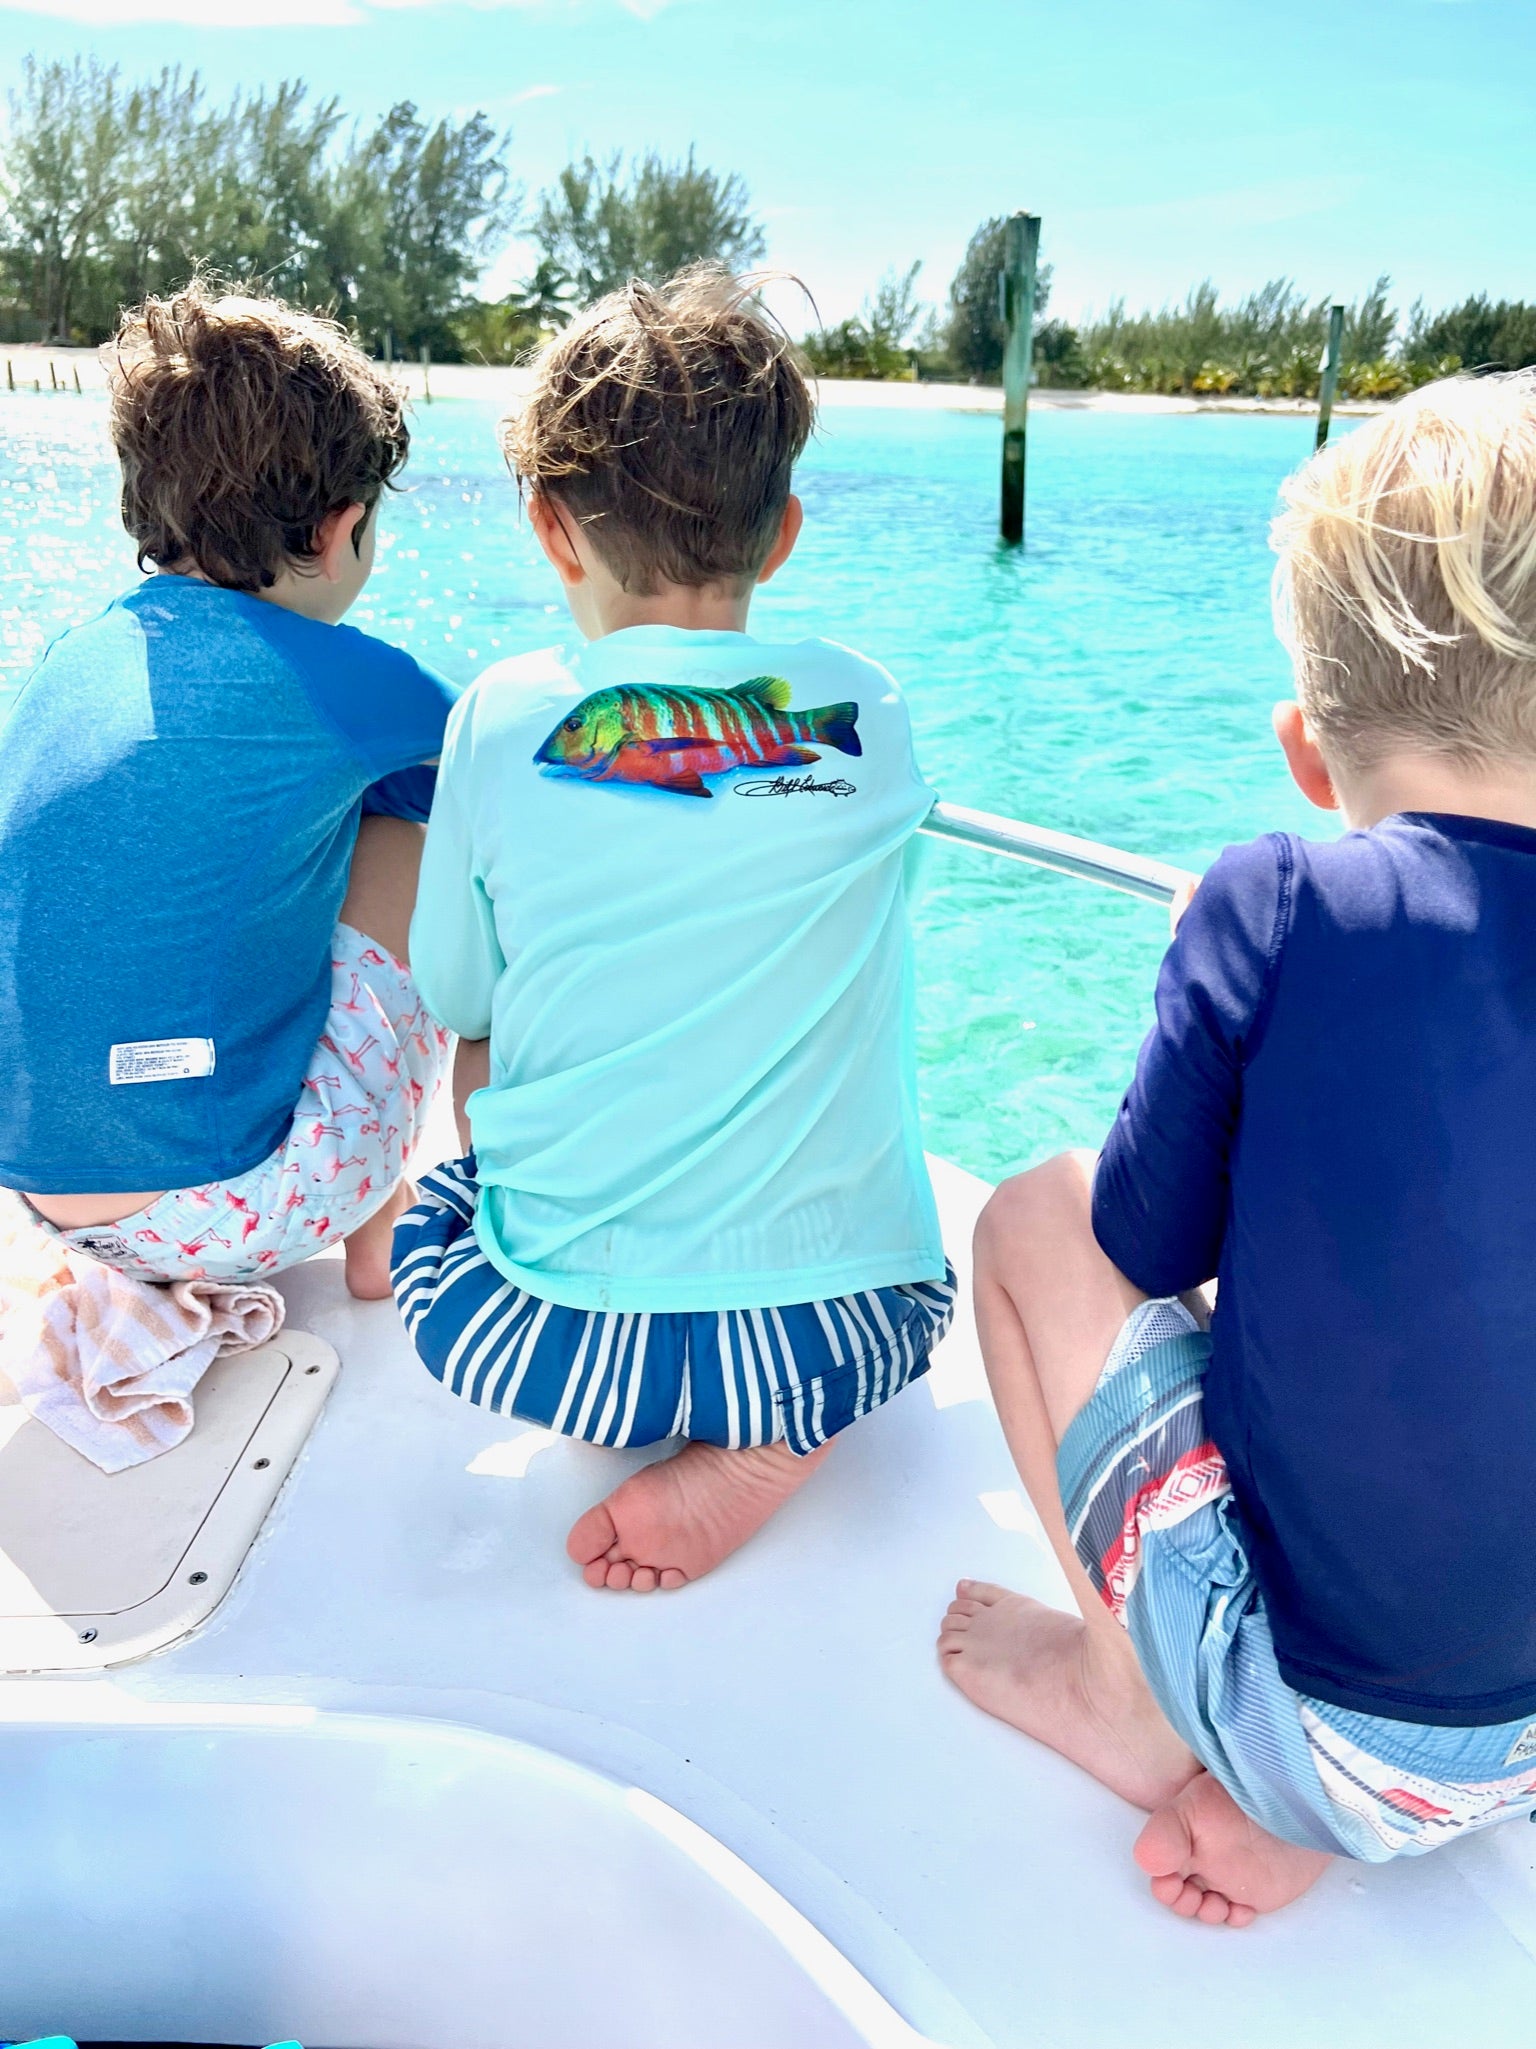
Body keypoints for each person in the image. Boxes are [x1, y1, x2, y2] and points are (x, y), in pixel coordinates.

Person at [941, 372, 1536, 1925]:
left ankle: (1131, 1700)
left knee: (1031, 1216)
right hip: (1519, 1753)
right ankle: (1343, 1801)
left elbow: (1140, 1250)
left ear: (1308, 750)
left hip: (1327, 1735)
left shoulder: (1281, 904)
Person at [391, 269, 954, 1590]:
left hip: (562, 1350)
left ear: (549, 527)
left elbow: (450, 987)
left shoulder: (503, 709)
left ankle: (694, 1375)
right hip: (855, 1327)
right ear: (782, 537)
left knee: (450, 1167)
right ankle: (778, 1434)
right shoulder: (869, 705)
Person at [0, 281, 457, 1299]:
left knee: (304, 820)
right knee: (416, 837)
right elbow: (524, 765)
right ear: (341, 529)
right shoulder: (344, 677)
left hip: (44, 1195)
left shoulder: (72, 655)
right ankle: (379, 1230)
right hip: (232, 1207)